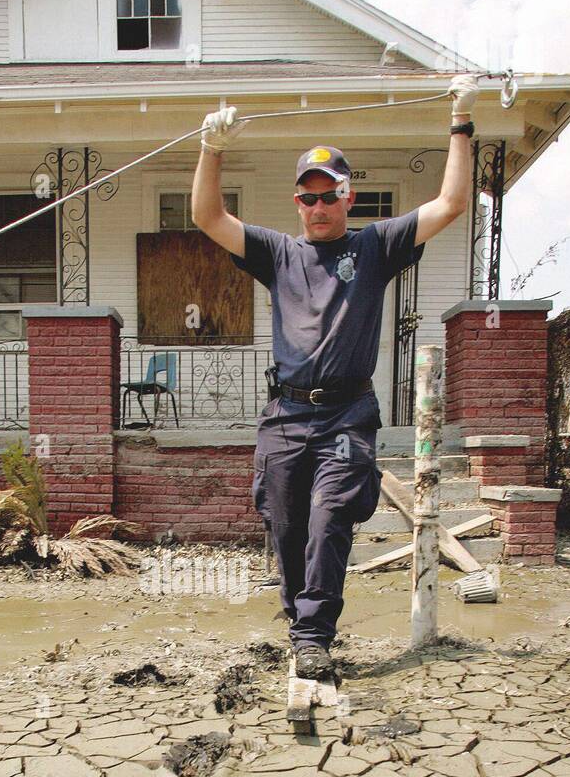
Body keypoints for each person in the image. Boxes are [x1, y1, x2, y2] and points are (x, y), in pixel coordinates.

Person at [192, 74, 479, 678]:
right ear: (297, 202)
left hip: (347, 414)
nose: (318, 207)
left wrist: (461, 121)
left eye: (330, 195)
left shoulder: (376, 245)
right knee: (287, 524)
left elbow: (452, 203)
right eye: (308, 197)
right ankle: (302, 625)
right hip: (285, 415)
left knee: (330, 517)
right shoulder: (278, 252)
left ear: (349, 196)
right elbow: (208, 216)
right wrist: (211, 149)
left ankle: (315, 635)